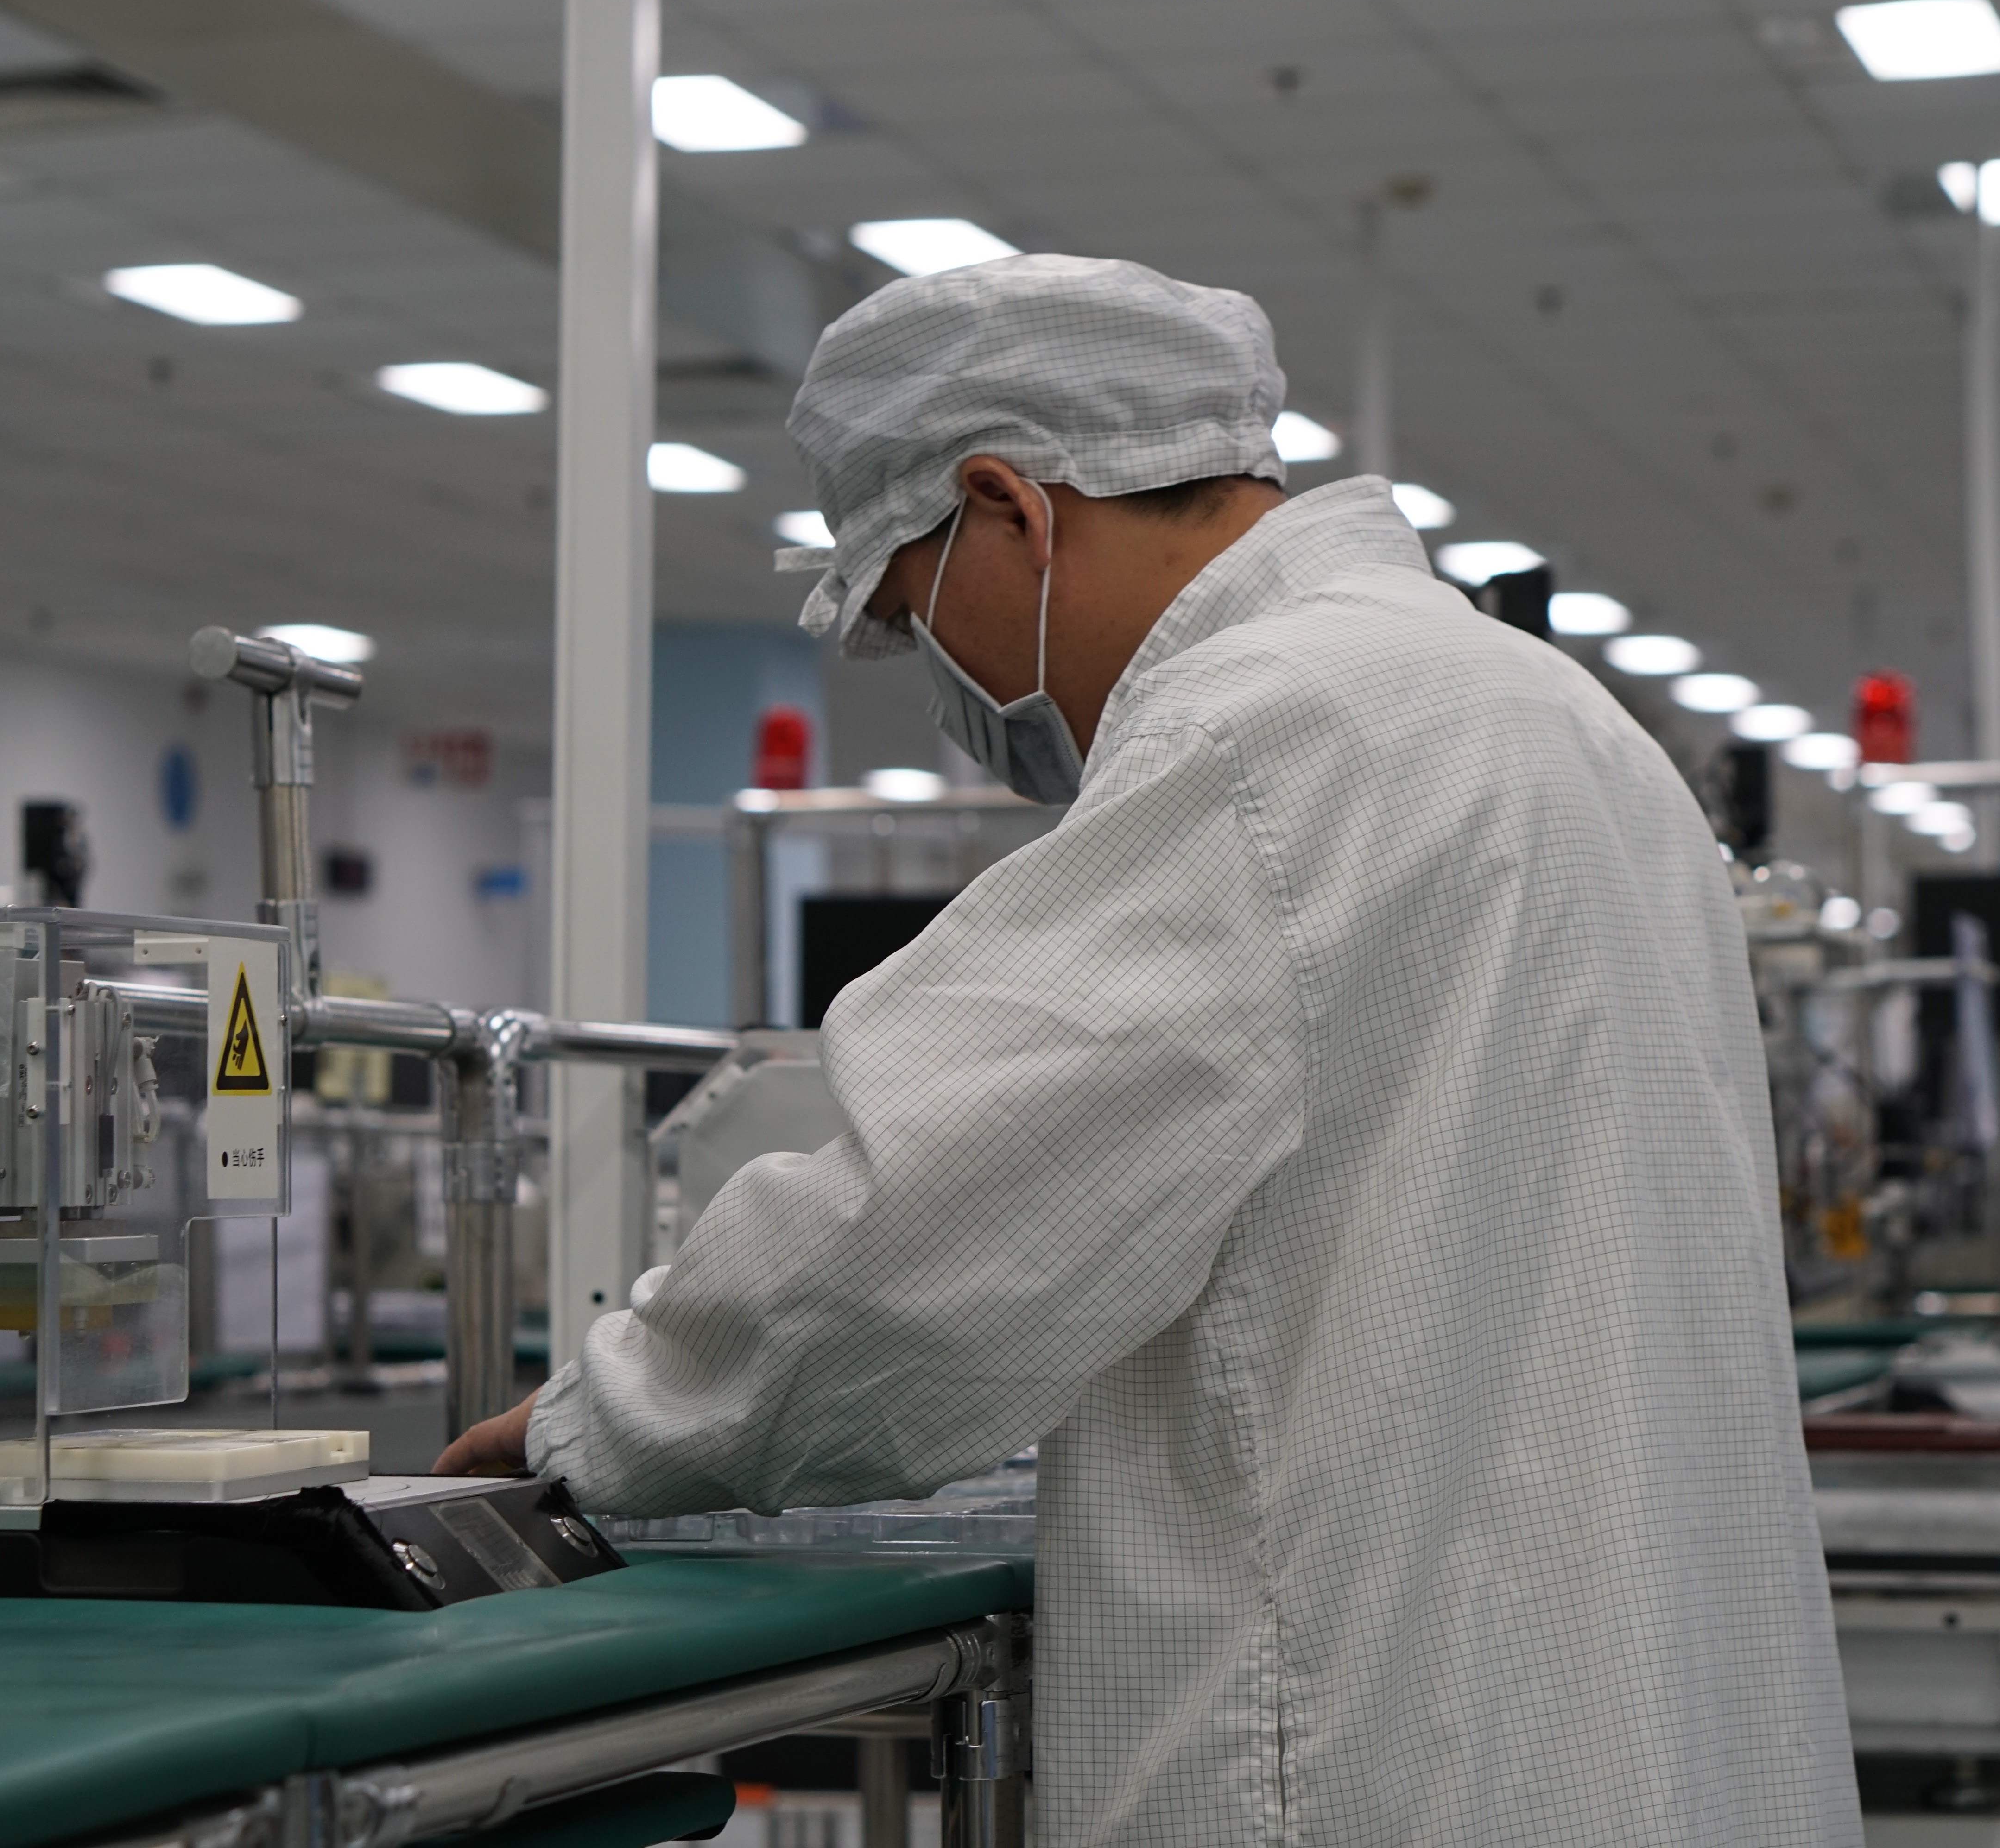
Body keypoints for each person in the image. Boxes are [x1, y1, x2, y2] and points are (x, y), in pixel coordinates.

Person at [440, 256, 1857, 1847]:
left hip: (1389, 1766)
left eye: (912, 614)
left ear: (1007, 509)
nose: (950, 687)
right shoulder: (1564, 719)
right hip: (1649, 1733)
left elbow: (922, 1237)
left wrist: (597, 1426)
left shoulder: (1258, 735)